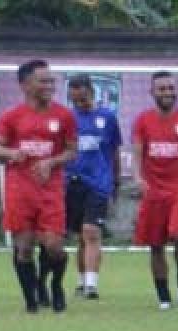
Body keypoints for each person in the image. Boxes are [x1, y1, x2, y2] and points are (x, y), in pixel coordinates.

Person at [0, 59, 77, 313]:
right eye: (44, 81)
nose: (50, 85)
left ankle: (55, 285)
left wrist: (52, 161)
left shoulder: (63, 115)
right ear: (25, 85)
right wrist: (11, 153)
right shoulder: (11, 117)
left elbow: (72, 152)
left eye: (52, 81)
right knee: (24, 248)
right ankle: (31, 301)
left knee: (54, 247)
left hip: (50, 191)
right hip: (20, 190)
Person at [132, 71, 178, 309]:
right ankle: (163, 296)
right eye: (162, 89)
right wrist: (137, 177)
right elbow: (137, 153)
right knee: (156, 245)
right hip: (154, 191)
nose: (168, 93)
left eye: (171, 88)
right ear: (152, 92)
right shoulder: (143, 121)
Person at [65, 74, 121, 300]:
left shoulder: (107, 117)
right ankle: (81, 281)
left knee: (91, 231)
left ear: (92, 92)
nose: (80, 103)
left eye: (83, 98)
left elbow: (114, 151)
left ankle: (91, 285)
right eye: (75, 100)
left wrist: (116, 181)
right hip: (71, 182)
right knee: (80, 235)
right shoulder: (67, 119)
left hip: (98, 182)